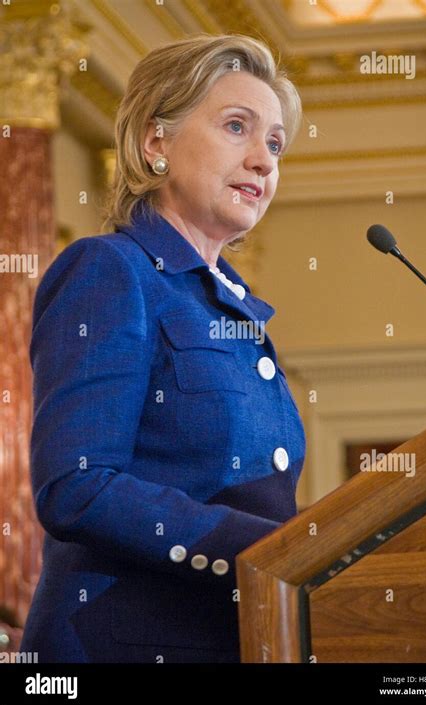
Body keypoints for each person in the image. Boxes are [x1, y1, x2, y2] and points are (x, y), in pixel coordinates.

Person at [20, 33, 305, 663]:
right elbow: (78, 485)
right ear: (157, 142)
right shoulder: (110, 271)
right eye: (238, 127)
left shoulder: (236, 308)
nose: (264, 159)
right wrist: (276, 555)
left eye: (276, 143)